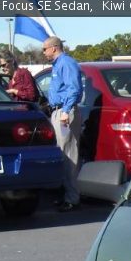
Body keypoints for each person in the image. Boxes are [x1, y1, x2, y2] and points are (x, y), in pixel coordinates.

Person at [42, 36, 83, 212]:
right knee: (62, 155)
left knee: (69, 155)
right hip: (57, 111)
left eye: (44, 49)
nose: (43, 53)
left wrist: (66, 111)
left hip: (65, 112)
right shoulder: (57, 65)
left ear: (53, 48)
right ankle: (66, 194)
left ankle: (72, 198)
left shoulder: (66, 63)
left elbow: (74, 88)